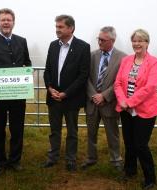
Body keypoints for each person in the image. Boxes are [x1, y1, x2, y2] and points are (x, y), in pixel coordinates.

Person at [0, 8, 31, 175]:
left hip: (18, 95)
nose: (6, 22)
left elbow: (27, 63)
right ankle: (1, 162)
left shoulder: (22, 41)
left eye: (8, 20)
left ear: (13, 22)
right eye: (3, 20)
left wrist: (27, 72)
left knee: (17, 129)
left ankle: (15, 160)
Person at [114, 29, 157, 189]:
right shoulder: (126, 60)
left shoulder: (154, 62)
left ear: (147, 43)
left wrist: (130, 102)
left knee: (141, 144)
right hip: (126, 109)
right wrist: (122, 101)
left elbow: (151, 87)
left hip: (145, 111)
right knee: (128, 142)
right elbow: (118, 83)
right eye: (134, 40)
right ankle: (130, 171)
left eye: (140, 40)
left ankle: (150, 178)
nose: (137, 44)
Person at [43, 15, 90, 171]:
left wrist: (66, 93)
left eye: (61, 27)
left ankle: (71, 159)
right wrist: (50, 88)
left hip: (71, 98)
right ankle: (52, 157)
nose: (57, 29)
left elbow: (83, 75)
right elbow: (47, 70)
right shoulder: (52, 45)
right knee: (54, 130)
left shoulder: (83, 47)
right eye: (56, 26)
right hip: (53, 97)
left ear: (71, 28)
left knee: (72, 131)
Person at [81, 26, 126, 171]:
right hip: (92, 102)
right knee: (91, 133)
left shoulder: (123, 58)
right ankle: (91, 158)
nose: (99, 42)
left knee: (113, 134)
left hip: (110, 103)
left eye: (103, 40)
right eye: (98, 39)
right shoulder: (92, 55)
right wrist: (94, 95)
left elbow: (120, 81)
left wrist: (105, 96)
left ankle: (116, 160)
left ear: (112, 40)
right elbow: (85, 77)